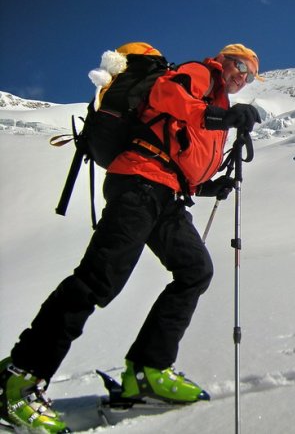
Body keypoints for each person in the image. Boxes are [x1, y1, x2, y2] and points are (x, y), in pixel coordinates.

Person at [0, 43, 262, 433]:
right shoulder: (201, 75)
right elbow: (165, 95)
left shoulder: (215, 100)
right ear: (223, 60)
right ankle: (18, 378)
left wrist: (210, 186)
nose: (242, 75)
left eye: (251, 74)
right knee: (98, 279)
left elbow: (177, 152)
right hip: (139, 180)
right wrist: (221, 117)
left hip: (164, 190)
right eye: (239, 64)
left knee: (195, 269)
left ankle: (148, 369)